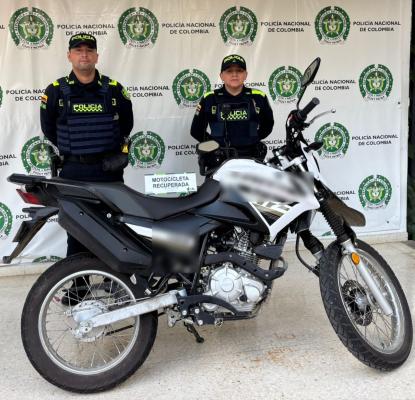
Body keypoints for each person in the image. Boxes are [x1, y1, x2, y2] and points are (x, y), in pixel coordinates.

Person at [40, 33, 133, 258]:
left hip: (108, 171)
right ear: (69, 56)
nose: (84, 54)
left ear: (96, 56)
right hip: (74, 172)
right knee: (77, 233)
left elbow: (126, 125)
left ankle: (116, 278)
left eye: (89, 50)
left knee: (115, 232)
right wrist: (76, 150)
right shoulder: (55, 91)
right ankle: (78, 279)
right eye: (78, 50)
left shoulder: (114, 89)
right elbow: (49, 130)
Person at [190, 54, 274, 170]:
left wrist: (252, 140)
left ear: (245, 75)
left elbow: (268, 125)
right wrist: (215, 145)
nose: (234, 74)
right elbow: (196, 130)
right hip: (219, 161)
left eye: (239, 70)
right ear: (221, 76)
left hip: (251, 159)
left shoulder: (259, 97)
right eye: (229, 71)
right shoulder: (209, 98)